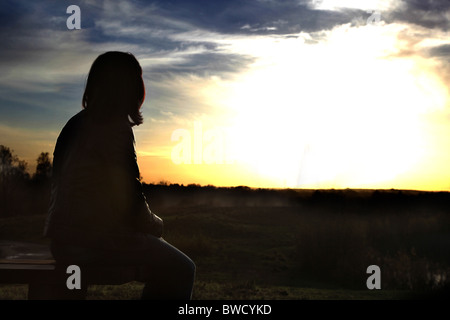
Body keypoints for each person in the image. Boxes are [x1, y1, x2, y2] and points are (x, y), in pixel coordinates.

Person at [44, 51, 195, 300]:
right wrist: (155, 224)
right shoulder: (115, 127)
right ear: (131, 88)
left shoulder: (74, 123)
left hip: (62, 240)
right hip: (96, 242)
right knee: (182, 268)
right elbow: (130, 200)